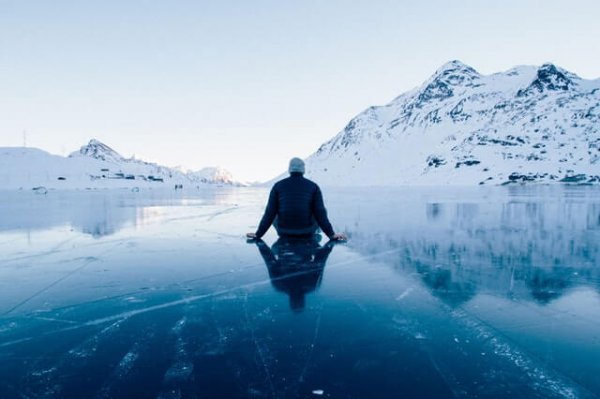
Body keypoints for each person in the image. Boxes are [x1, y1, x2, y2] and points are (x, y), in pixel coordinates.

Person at [246, 158, 347, 241]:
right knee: (319, 210)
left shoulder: (277, 186)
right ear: (303, 169)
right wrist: (331, 235)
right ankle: (316, 232)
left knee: (274, 210)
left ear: (290, 169)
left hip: (283, 231)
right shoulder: (313, 186)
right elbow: (320, 213)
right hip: (307, 231)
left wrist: (258, 234)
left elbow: (269, 213)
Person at [253, 236, 337, 312]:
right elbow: (321, 259)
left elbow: (269, 260)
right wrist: (331, 242)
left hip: (289, 239)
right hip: (303, 241)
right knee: (316, 238)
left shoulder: (311, 285)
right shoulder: (280, 285)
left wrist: (259, 241)